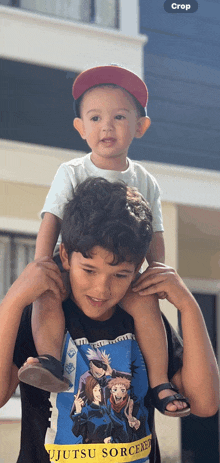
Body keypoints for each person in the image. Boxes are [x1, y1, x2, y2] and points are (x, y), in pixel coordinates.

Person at [15, 65, 199, 415]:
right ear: (80, 128)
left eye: (118, 117)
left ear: (140, 126)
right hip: (75, 261)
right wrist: (42, 263)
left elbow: (154, 232)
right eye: (95, 117)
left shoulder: (145, 180)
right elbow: (52, 217)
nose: (106, 126)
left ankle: (160, 382)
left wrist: (156, 270)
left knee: (147, 306)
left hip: (120, 267)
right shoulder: (72, 171)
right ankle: (50, 360)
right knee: (47, 295)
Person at [0, 178, 219, 463]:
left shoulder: (143, 321)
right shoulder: (38, 317)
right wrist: (13, 300)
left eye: (119, 274)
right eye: (89, 270)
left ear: (138, 267)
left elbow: (206, 404)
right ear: (65, 256)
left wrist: (189, 306)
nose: (102, 289)